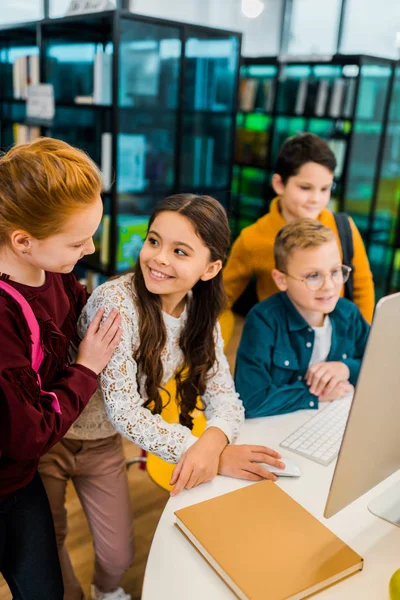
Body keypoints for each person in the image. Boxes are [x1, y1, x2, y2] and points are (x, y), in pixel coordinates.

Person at [76, 193, 283, 505]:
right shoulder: (116, 302)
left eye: (180, 252)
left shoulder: (199, 313)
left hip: (104, 442)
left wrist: (214, 443)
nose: (160, 257)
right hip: (56, 436)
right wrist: (213, 454)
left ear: (210, 269)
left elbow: (224, 395)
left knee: (118, 556)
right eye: (154, 241)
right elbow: (124, 411)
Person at [0, 138, 121, 600]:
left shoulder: (53, 272)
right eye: (77, 240)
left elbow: (73, 316)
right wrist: (86, 369)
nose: (90, 248)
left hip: (20, 479)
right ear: (23, 241)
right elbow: (27, 432)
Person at [223, 133, 374, 331]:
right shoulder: (252, 239)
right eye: (305, 188)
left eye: (325, 189)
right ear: (279, 184)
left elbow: (362, 288)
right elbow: (221, 299)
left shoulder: (344, 228)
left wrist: (362, 344)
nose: (316, 199)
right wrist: (215, 348)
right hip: (282, 349)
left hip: (338, 346)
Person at [235, 219, 370, 418]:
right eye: (313, 276)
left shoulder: (348, 313)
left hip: (335, 418)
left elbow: (379, 365)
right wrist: (312, 395)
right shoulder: (263, 320)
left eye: (335, 272)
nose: (329, 286)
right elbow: (250, 400)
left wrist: (346, 368)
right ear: (281, 280)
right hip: (277, 426)